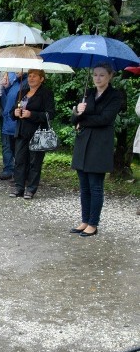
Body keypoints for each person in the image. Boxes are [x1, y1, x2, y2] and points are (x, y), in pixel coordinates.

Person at [69, 63, 123, 236]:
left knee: (95, 186)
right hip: (83, 143)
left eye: (101, 75)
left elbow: (105, 119)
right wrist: (77, 111)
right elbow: (73, 120)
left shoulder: (115, 96)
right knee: (84, 186)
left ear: (110, 76)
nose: (97, 78)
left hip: (100, 145)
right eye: (95, 75)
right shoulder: (88, 93)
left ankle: (93, 223)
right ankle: (85, 220)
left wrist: (82, 121)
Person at [10, 69, 54, 200]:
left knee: (35, 162)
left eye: (35, 76)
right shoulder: (22, 93)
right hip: (22, 131)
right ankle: (19, 187)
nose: (31, 78)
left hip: (38, 133)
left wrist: (32, 114)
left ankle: (31, 189)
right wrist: (15, 113)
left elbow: (50, 114)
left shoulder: (46, 93)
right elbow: (12, 112)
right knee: (19, 160)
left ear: (42, 79)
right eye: (29, 76)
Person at [0, 72, 22, 180]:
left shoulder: (26, 82)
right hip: (7, 116)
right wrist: (6, 87)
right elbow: (6, 98)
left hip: (19, 119)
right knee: (6, 145)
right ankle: (8, 168)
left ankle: (19, 170)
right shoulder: (10, 76)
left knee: (19, 146)